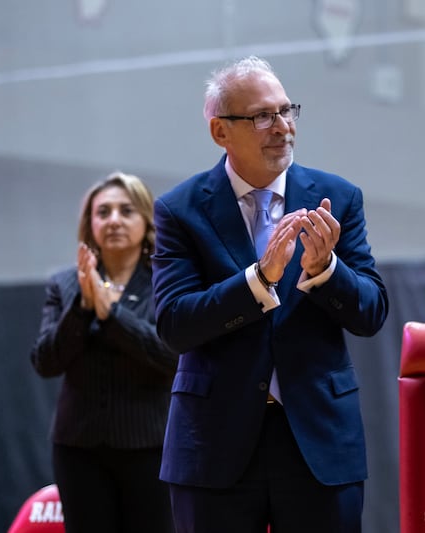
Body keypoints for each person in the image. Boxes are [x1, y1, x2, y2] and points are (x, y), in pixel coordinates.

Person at [151, 56, 389, 533]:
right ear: (220, 131)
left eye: (286, 110)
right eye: (263, 116)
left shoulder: (338, 198)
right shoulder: (180, 210)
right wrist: (259, 280)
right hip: (214, 443)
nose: (282, 127)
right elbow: (174, 324)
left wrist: (325, 270)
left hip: (319, 439)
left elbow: (371, 312)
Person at [30, 172, 177, 533]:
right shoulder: (65, 284)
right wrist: (83, 306)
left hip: (150, 446)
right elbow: (46, 362)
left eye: (126, 211)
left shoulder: (166, 280)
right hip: (78, 449)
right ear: (90, 223)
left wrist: (111, 314)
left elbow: (171, 357)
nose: (114, 220)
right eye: (103, 212)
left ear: (146, 221)